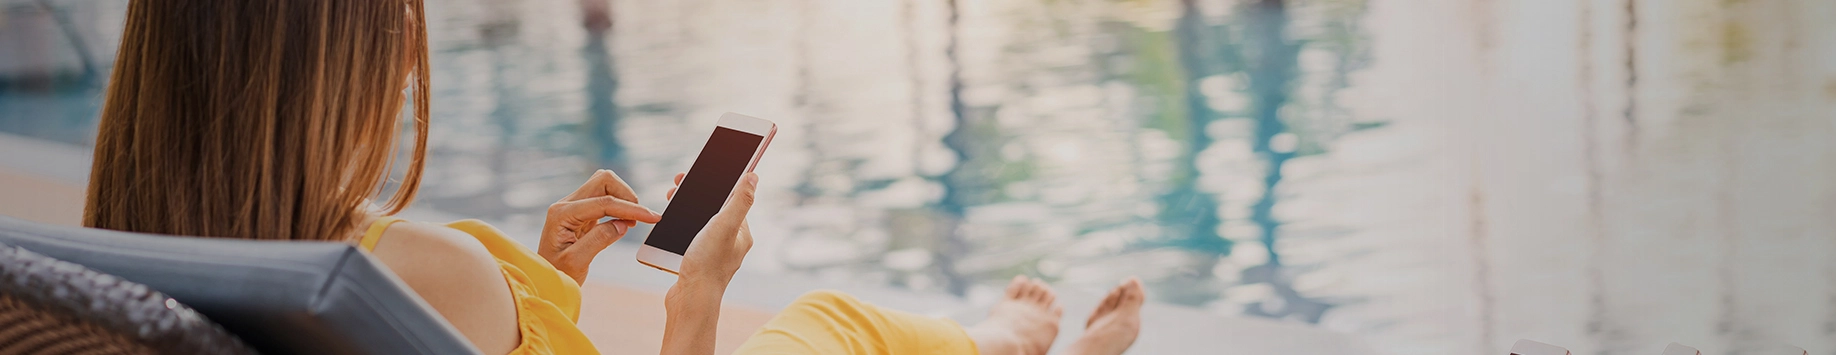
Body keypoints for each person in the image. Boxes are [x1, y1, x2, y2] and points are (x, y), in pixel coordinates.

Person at [80, 0, 1145, 354]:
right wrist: (699, 295)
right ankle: (1009, 341)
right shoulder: (424, 269)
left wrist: (546, 288)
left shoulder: (132, 241)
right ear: (352, 67)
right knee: (833, 318)